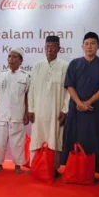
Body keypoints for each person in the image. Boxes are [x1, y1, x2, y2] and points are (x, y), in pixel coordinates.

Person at [61, 32, 99, 173]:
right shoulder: (74, 63)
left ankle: (90, 171)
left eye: (93, 43)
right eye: (87, 44)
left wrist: (88, 102)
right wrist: (79, 102)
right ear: (82, 46)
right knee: (73, 138)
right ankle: (73, 169)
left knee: (92, 138)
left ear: (98, 46)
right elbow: (69, 85)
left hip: (93, 109)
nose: (89, 46)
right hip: (76, 109)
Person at [27, 35, 70, 170]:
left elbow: (69, 91)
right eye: (47, 47)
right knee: (37, 138)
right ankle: (35, 166)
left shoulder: (64, 66)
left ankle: (53, 169)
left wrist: (65, 109)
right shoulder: (37, 66)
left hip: (56, 112)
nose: (49, 49)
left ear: (58, 48)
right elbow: (32, 88)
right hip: (39, 111)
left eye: (52, 47)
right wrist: (31, 109)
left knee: (55, 139)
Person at [0, 49, 30, 173]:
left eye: (14, 57)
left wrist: (27, 113)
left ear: (21, 61)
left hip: (17, 114)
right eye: (9, 57)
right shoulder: (0, 75)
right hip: (1, 114)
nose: (11, 59)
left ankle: (18, 165)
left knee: (17, 142)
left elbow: (28, 96)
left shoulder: (26, 76)